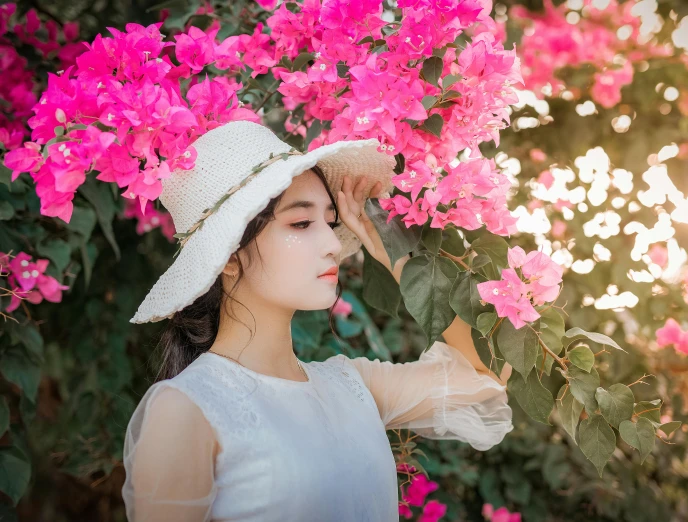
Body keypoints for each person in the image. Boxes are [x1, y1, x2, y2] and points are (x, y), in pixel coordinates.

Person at [122, 120, 514, 521]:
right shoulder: (187, 408)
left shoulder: (354, 387)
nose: (332, 244)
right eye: (301, 223)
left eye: (331, 221)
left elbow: (487, 373)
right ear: (229, 258)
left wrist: (397, 257)